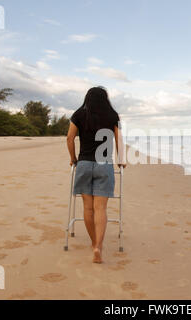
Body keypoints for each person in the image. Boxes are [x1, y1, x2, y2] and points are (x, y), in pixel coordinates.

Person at [66, 86, 126, 263]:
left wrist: (73, 158)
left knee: (88, 208)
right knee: (101, 209)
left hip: (84, 163)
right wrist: (121, 160)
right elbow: (118, 139)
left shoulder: (78, 114)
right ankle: (99, 246)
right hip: (104, 164)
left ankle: (94, 244)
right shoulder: (112, 115)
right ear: (105, 98)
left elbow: (69, 138)